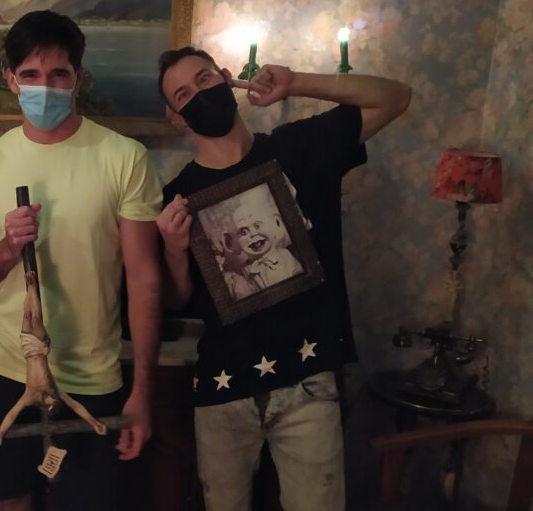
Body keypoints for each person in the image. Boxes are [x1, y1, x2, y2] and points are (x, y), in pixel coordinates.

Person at [155, 46, 411, 510]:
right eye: (183, 94)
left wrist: (297, 83)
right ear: (176, 116)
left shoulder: (300, 147)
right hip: (223, 386)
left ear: (228, 77)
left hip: (307, 381)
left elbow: (394, 97)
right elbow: (176, 300)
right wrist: (174, 249)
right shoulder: (177, 198)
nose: (199, 95)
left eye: (205, 79)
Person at [0, 10, 162, 511]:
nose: (43, 87)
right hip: (3, 372)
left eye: (57, 74)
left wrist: (143, 390)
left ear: (78, 78)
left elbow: (144, 278)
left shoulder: (124, 157)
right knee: (9, 501)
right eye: (30, 74)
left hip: (92, 376)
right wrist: (7, 247)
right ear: (10, 79)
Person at [229, 185, 303, 291]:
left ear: (276, 224)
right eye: (243, 232)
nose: (253, 234)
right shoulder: (246, 269)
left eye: (257, 226)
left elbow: (300, 277)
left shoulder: (284, 255)